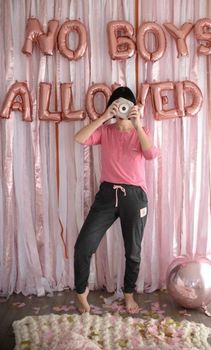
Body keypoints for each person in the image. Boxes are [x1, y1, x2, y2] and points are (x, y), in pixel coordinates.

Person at [74, 86, 158, 314]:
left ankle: (129, 294)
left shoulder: (143, 130)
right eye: (118, 105)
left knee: (133, 250)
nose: (122, 109)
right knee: (84, 245)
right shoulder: (106, 131)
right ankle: (81, 293)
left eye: (126, 106)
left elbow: (151, 154)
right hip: (107, 194)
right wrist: (103, 117)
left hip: (135, 197)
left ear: (133, 108)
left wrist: (138, 124)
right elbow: (79, 138)